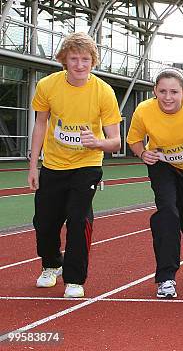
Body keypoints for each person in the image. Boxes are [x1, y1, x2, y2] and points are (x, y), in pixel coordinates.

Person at [28, 32, 122, 298]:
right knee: (44, 222)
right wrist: (33, 166)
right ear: (64, 61)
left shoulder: (104, 92)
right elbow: (41, 124)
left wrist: (97, 142)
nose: (80, 65)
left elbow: (115, 142)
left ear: (93, 62)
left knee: (78, 220)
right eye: (74, 59)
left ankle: (74, 279)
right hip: (54, 165)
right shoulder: (47, 86)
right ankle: (50, 265)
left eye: (85, 60)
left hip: (87, 165)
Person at [126, 68, 183, 299]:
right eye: (163, 91)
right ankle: (166, 278)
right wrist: (142, 154)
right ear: (154, 91)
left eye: (174, 92)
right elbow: (134, 140)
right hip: (161, 164)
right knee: (167, 214)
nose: (168, 97)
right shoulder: (144, 111)